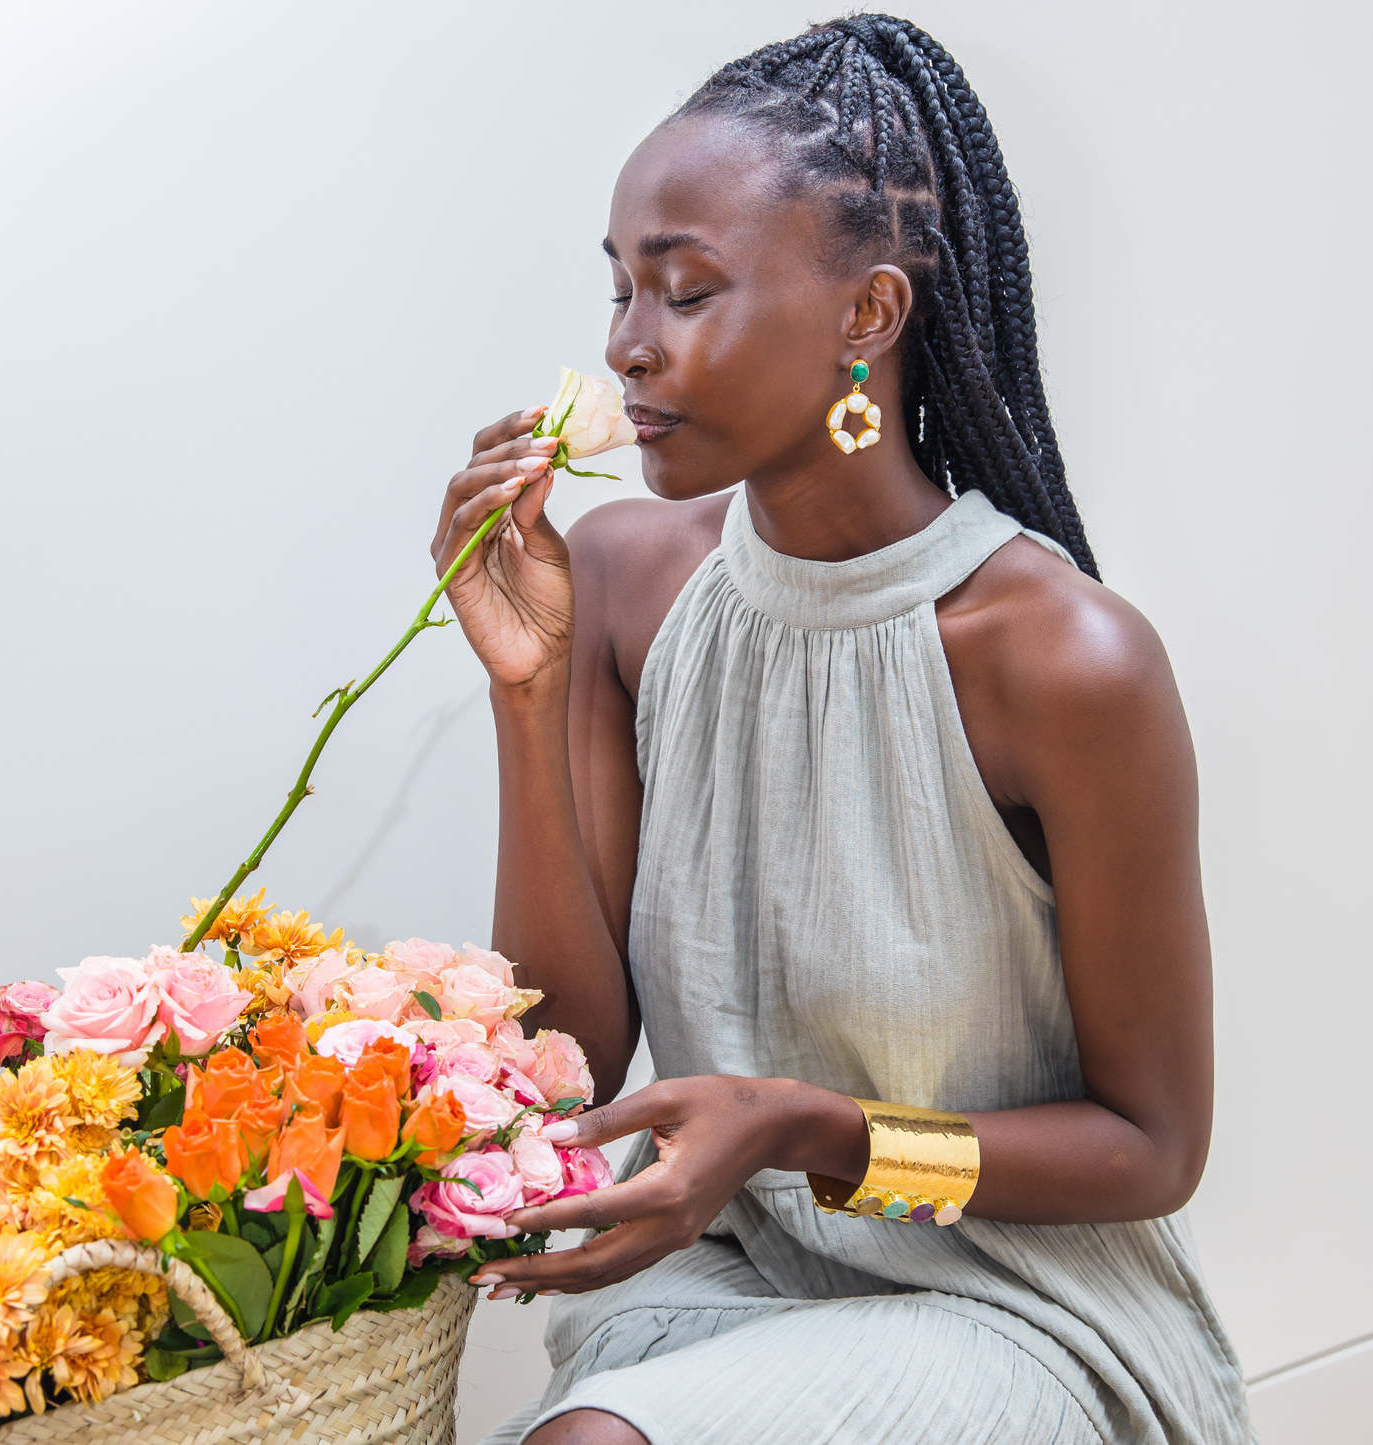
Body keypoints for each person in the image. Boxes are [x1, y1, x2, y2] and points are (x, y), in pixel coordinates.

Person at [431, 15, 1250, 1445]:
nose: (628, 345)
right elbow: (566, 1053)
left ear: (868, 315)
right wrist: (527, 688)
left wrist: (820, 1135)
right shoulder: (625, 578)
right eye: (620, 287)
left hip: (1016, 1307)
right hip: (740, 1278)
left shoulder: (1064, 663)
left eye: (685, 291)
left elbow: (1152, 1147)